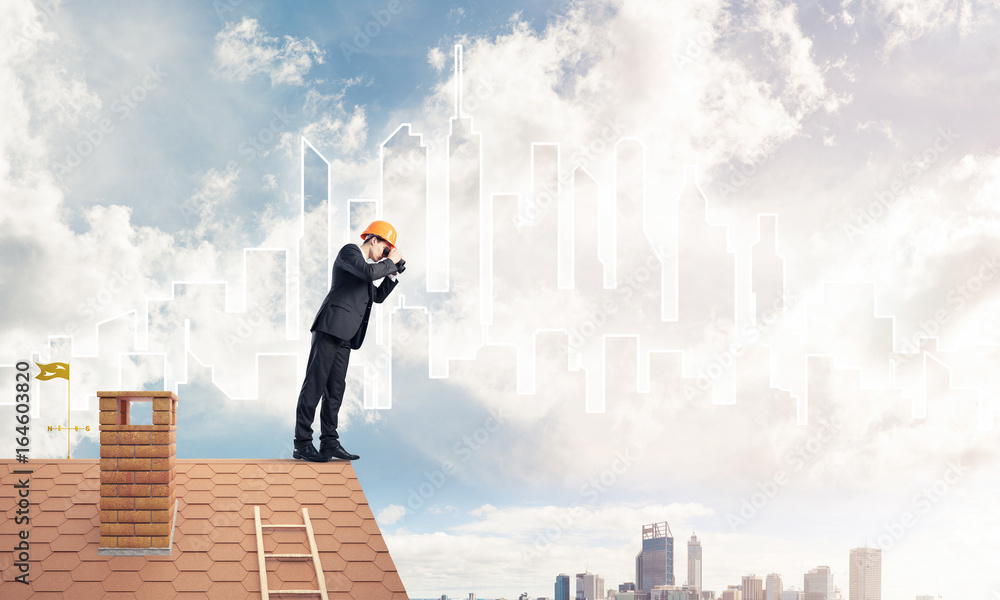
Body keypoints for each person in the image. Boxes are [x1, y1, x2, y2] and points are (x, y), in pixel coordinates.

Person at [292, 220, 404, 462]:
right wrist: (389, 261)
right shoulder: (350, 252)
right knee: (315, 384)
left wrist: (392, 275)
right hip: (330, 327)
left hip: (346, 335)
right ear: (374, 240)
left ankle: (329, 443)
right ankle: (302, 443)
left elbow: (376, 296)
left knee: (335, 390)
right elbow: (368, 272)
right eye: (386, 248)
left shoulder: (365, 270)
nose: (385, 254)